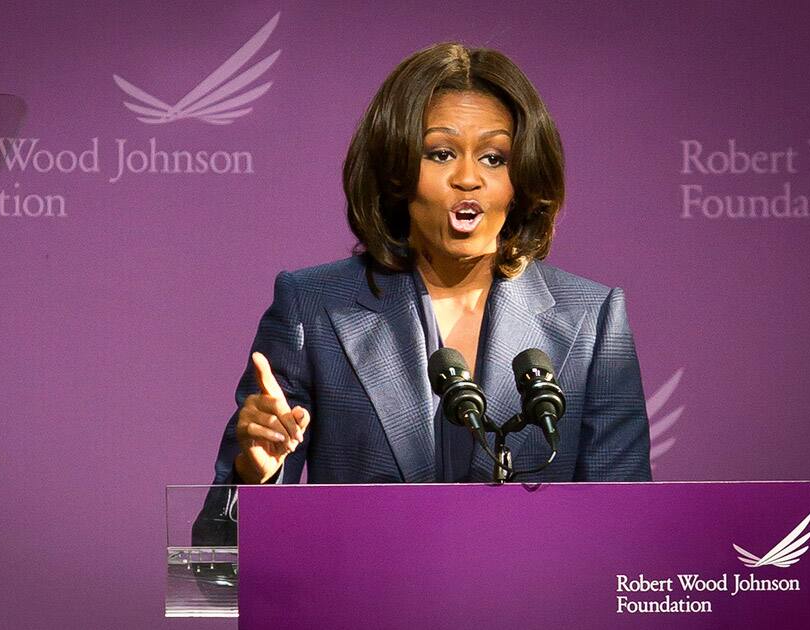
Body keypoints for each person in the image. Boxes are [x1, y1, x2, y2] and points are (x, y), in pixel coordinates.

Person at [205, 42, 651, 493]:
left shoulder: (592, 318)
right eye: (440, 153)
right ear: (395, 171)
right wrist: (254, 476)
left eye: (494, 158)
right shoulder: (313, 307)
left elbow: (626, 523)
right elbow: (216, 537)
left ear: (523, 179)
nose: (468, 177)